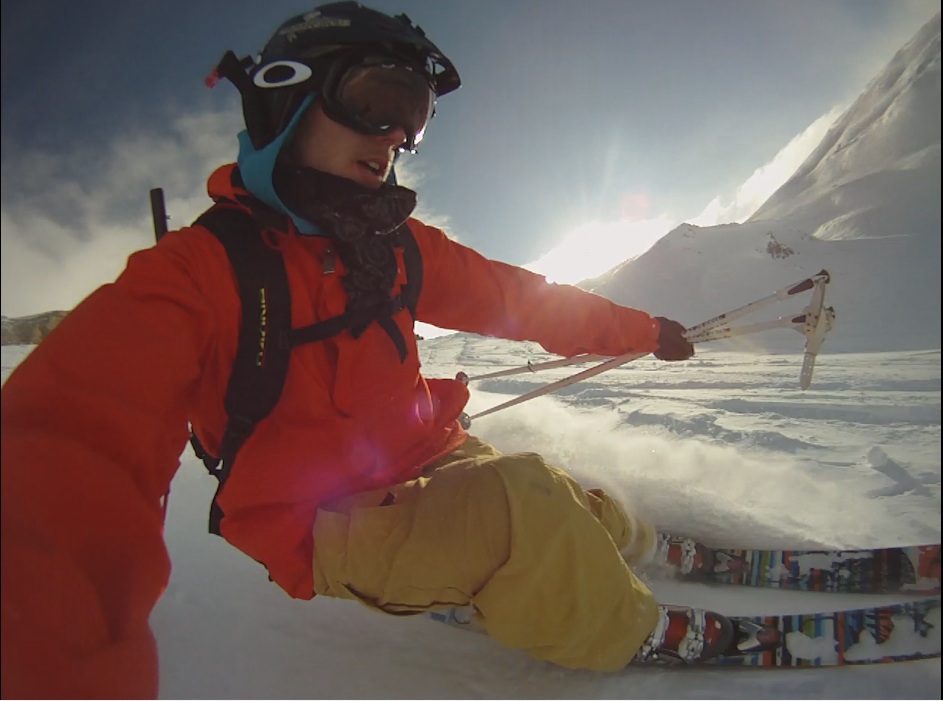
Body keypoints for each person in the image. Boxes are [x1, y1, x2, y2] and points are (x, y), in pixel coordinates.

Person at [1, 2, 704, 697]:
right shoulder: (200, 272)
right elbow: (70, 449)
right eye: (377, 100)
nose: (395, 135)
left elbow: (516, 296)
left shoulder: (396, 247)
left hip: (427, 455)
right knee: (523, 505)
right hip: (322, 521)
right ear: (286, 98)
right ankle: (630, 630)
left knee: (547, 483)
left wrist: (642, 330)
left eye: (414, 116)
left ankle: (628, 539)